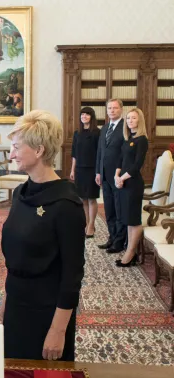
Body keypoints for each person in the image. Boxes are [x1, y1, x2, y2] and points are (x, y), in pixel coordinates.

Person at [0, 110, 85, 361]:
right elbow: (15, 259)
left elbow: (72, 276)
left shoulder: (66, 204)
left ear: (38, 150)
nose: (12, 154)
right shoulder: (20, 194)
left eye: (16, 147)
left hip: (47, 313)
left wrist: (58, 331)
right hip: (17, 304)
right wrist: (7, 300)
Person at [114, 108, 149, 267]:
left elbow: (136, 166)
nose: (130, 121)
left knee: (133, 219)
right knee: (127, 218)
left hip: (133, 184)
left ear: (139, 120)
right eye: (128, 118)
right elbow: (121, 160)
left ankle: (130, 253)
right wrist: (116, 176)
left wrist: (122, 178)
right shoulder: (128, 139)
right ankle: (130, 250)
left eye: (133, 118)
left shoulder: (142, 140)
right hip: (123, 182)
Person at [95, 99, 126, 253]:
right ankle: (112, 237)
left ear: (121, 109)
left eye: (115, 108)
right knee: (109, 208)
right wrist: (98, 172)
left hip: (118, 175)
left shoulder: (126, 127)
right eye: (109, 108)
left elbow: (125, 153)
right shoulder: (105, 128)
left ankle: (119, 242)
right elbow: (100, 152)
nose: (112, 111)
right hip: (105, 175)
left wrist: (120, 173)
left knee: (119, 208)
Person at [70, 107, 101, 238]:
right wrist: (72, 170)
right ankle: (87, 223)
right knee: (83, 198)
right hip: (79, 170)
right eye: (82, 114)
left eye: (87, 115)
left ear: (91, 117)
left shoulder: (97, 133)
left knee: (91, 198)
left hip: (92, 169)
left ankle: (92, 225)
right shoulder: (77, 133)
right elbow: (74, 154)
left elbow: (100, 154)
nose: (84, 116)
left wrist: (98, 172)